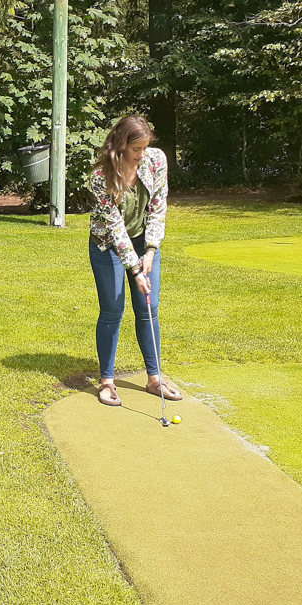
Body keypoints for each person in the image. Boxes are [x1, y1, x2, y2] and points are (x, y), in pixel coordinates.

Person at [87, 114, 182, 407]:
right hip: (107, 246)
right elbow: (115, 228)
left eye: (145, 147)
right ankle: (107, 381)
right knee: (113, 309)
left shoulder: (156, 160)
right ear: (121, 146)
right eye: (135, 149)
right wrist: (134, 268)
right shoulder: (99, 177)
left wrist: (151, 250)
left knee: (149, 307)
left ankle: (154, 378)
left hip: (144, 240)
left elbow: (158, 207)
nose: (142, 154)